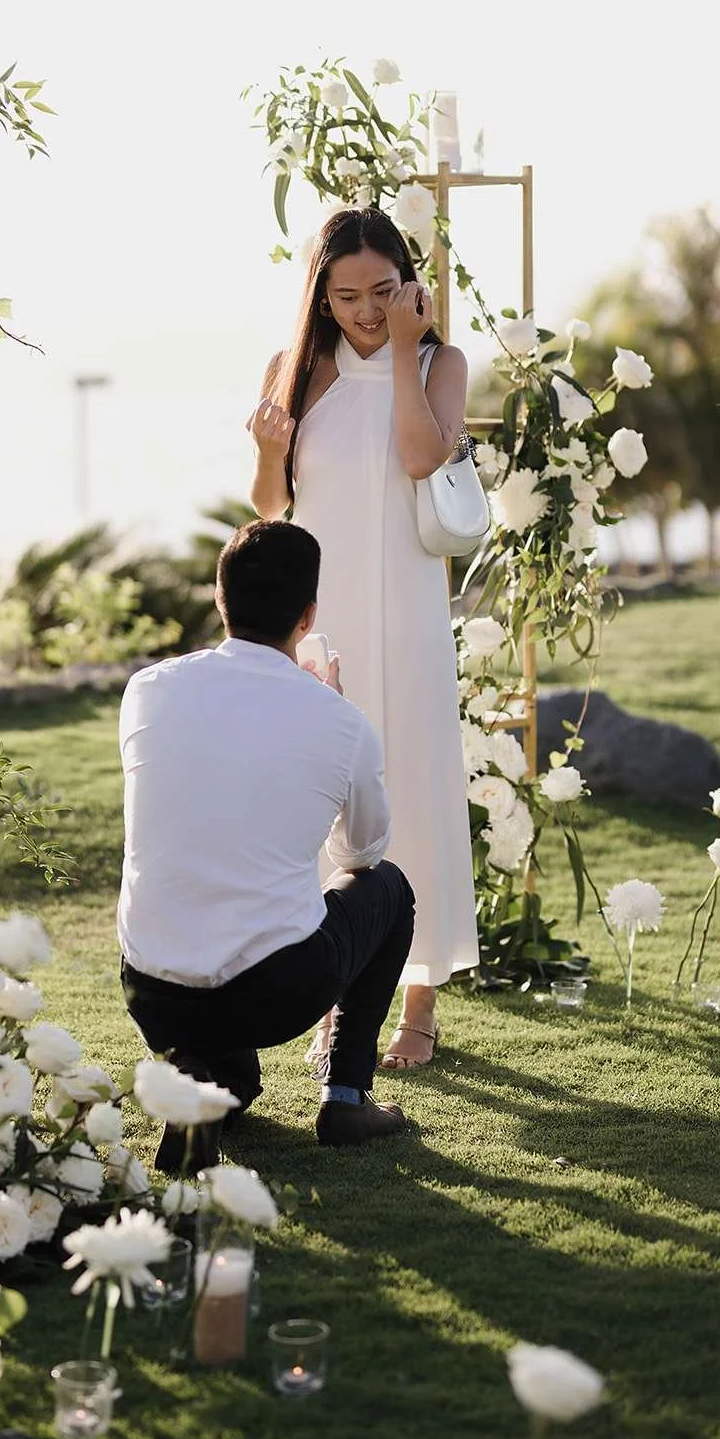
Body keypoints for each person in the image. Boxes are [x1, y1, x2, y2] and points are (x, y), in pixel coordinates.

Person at [248, 208, 478, 1070]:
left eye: (383, 292)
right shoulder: (293, 370)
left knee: (410, 783)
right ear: (321, 295)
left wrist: (409, 355)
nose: (366, 313)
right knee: (323, 798)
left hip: (409, 612)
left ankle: (417, 1000)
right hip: (321, 616)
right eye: (345, 296)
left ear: (408, 283)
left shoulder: (439, 363)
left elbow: (421, 458)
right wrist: (270, 448)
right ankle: (334, 997)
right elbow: (271, 509)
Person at [118, 519, 416, 1169]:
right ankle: (345, 1098)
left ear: (219, 599)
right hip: (275, 992)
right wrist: (325, 713)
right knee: (390, 888)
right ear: (306, 617)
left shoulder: (146, 692)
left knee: (232, 1067)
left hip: (152, 990)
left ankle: (204, 1081)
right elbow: (361, 855)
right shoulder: (339, 722)